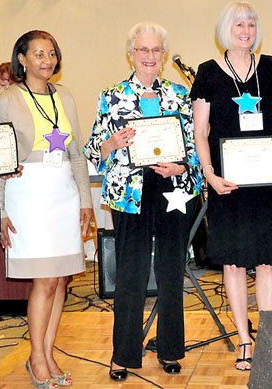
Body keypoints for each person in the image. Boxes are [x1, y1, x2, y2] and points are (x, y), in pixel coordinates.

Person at [84, 22, 202, 381]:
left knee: (171, 271)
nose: (150, 57)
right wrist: (111, 143)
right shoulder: (112, 95)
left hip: (173, 189)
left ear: (164, 56)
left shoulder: (181, 94)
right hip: (130, 193)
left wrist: (181, 164)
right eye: (143, 50)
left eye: (156, 50)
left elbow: (197, 148)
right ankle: (123, 355)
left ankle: (169, 349)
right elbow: (92, 148)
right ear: (131, 54)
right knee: (131, 275)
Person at [191, 1, 272, 371]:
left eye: (252, 23)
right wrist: (208, 174)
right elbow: (200, 131)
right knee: (234, 265)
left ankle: (269, 335)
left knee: (268, 262)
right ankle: (245, 340)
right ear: (225, 29)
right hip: (228, 185)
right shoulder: (207, 72)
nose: (246, 30)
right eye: (239, 24)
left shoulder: (271, 68)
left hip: (268, 184)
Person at [0, 30, 94, 388]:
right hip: (28, 195)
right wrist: (0, 210)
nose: (47, 60)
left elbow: (77, 154)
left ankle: (49, 354)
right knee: (44, 280)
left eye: (51, 53)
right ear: (22, 58)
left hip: (62, 192)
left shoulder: (64, 96)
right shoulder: (4, 98)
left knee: (61, 278)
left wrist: (85, 201)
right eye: (38, 54)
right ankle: (36, 358)